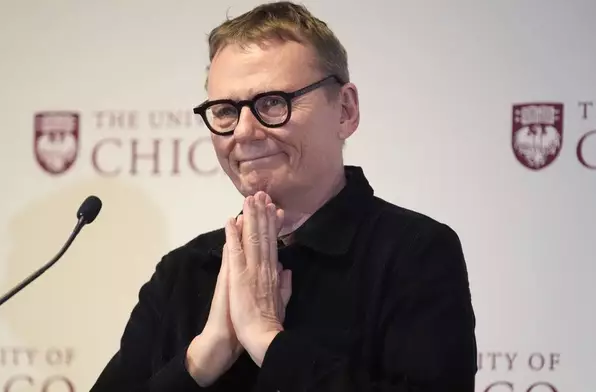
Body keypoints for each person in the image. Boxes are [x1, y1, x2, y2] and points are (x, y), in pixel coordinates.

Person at [90, 2, 477, 391]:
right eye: (225, 110)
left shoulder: (414, 252)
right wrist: (201, 360)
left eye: (272, 103)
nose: (243, 132)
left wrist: (266, 340)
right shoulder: (183, 272)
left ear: (344, 110)